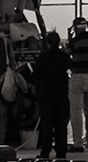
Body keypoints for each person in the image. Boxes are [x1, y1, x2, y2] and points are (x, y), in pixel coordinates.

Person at [24, 31, 71, 159]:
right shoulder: (63, 57)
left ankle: (45, 151)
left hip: (46, 95)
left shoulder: (42, 58)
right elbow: (69, 65)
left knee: (47, 125)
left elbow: (36, 76)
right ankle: (61, 152)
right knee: (61, 125)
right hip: (60, 94)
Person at [65, 20, 88, 151]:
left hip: (78, 76)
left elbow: (66, 54)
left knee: (76, 111)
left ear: (75, 27)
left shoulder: (75, 42)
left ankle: (78, 143)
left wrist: (69, 38)